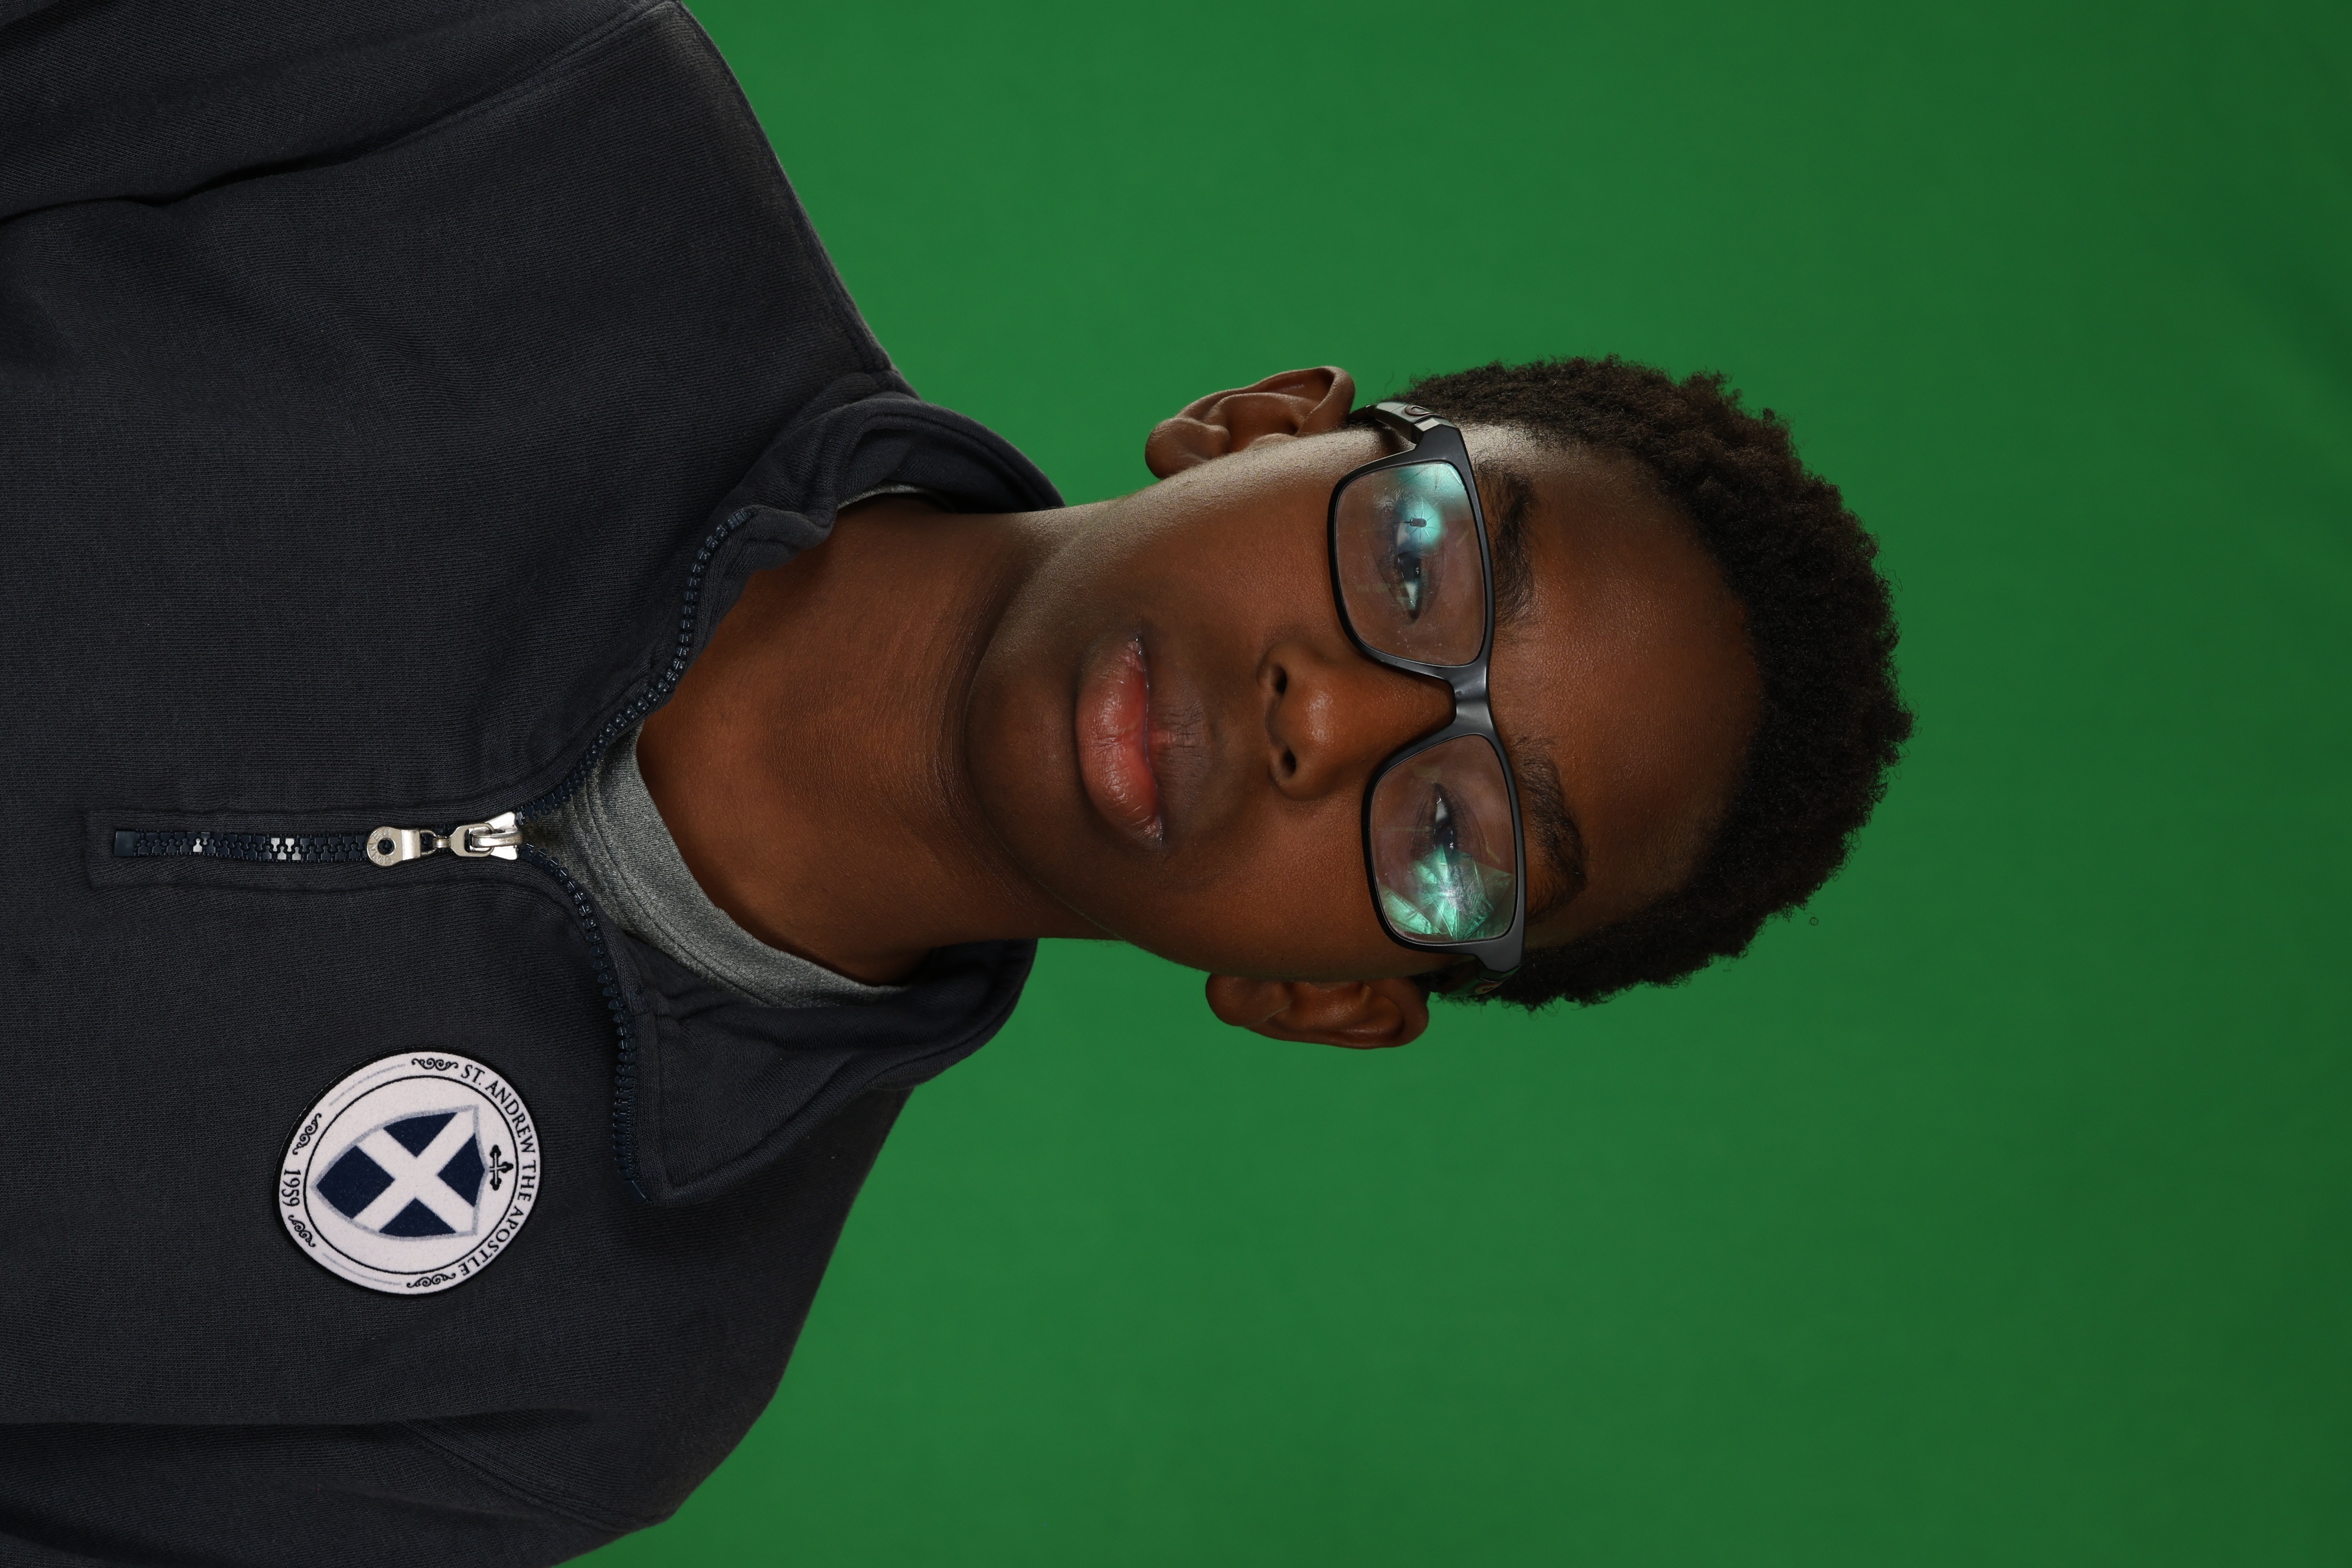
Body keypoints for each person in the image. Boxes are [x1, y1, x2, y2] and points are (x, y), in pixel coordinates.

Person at [0, 0, 1909, 1562]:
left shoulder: (580, 1395)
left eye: (1452, 834)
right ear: (1257, 424)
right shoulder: (536, 115)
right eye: (1421, 566)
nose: (1330, 720)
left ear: (1323, 993)